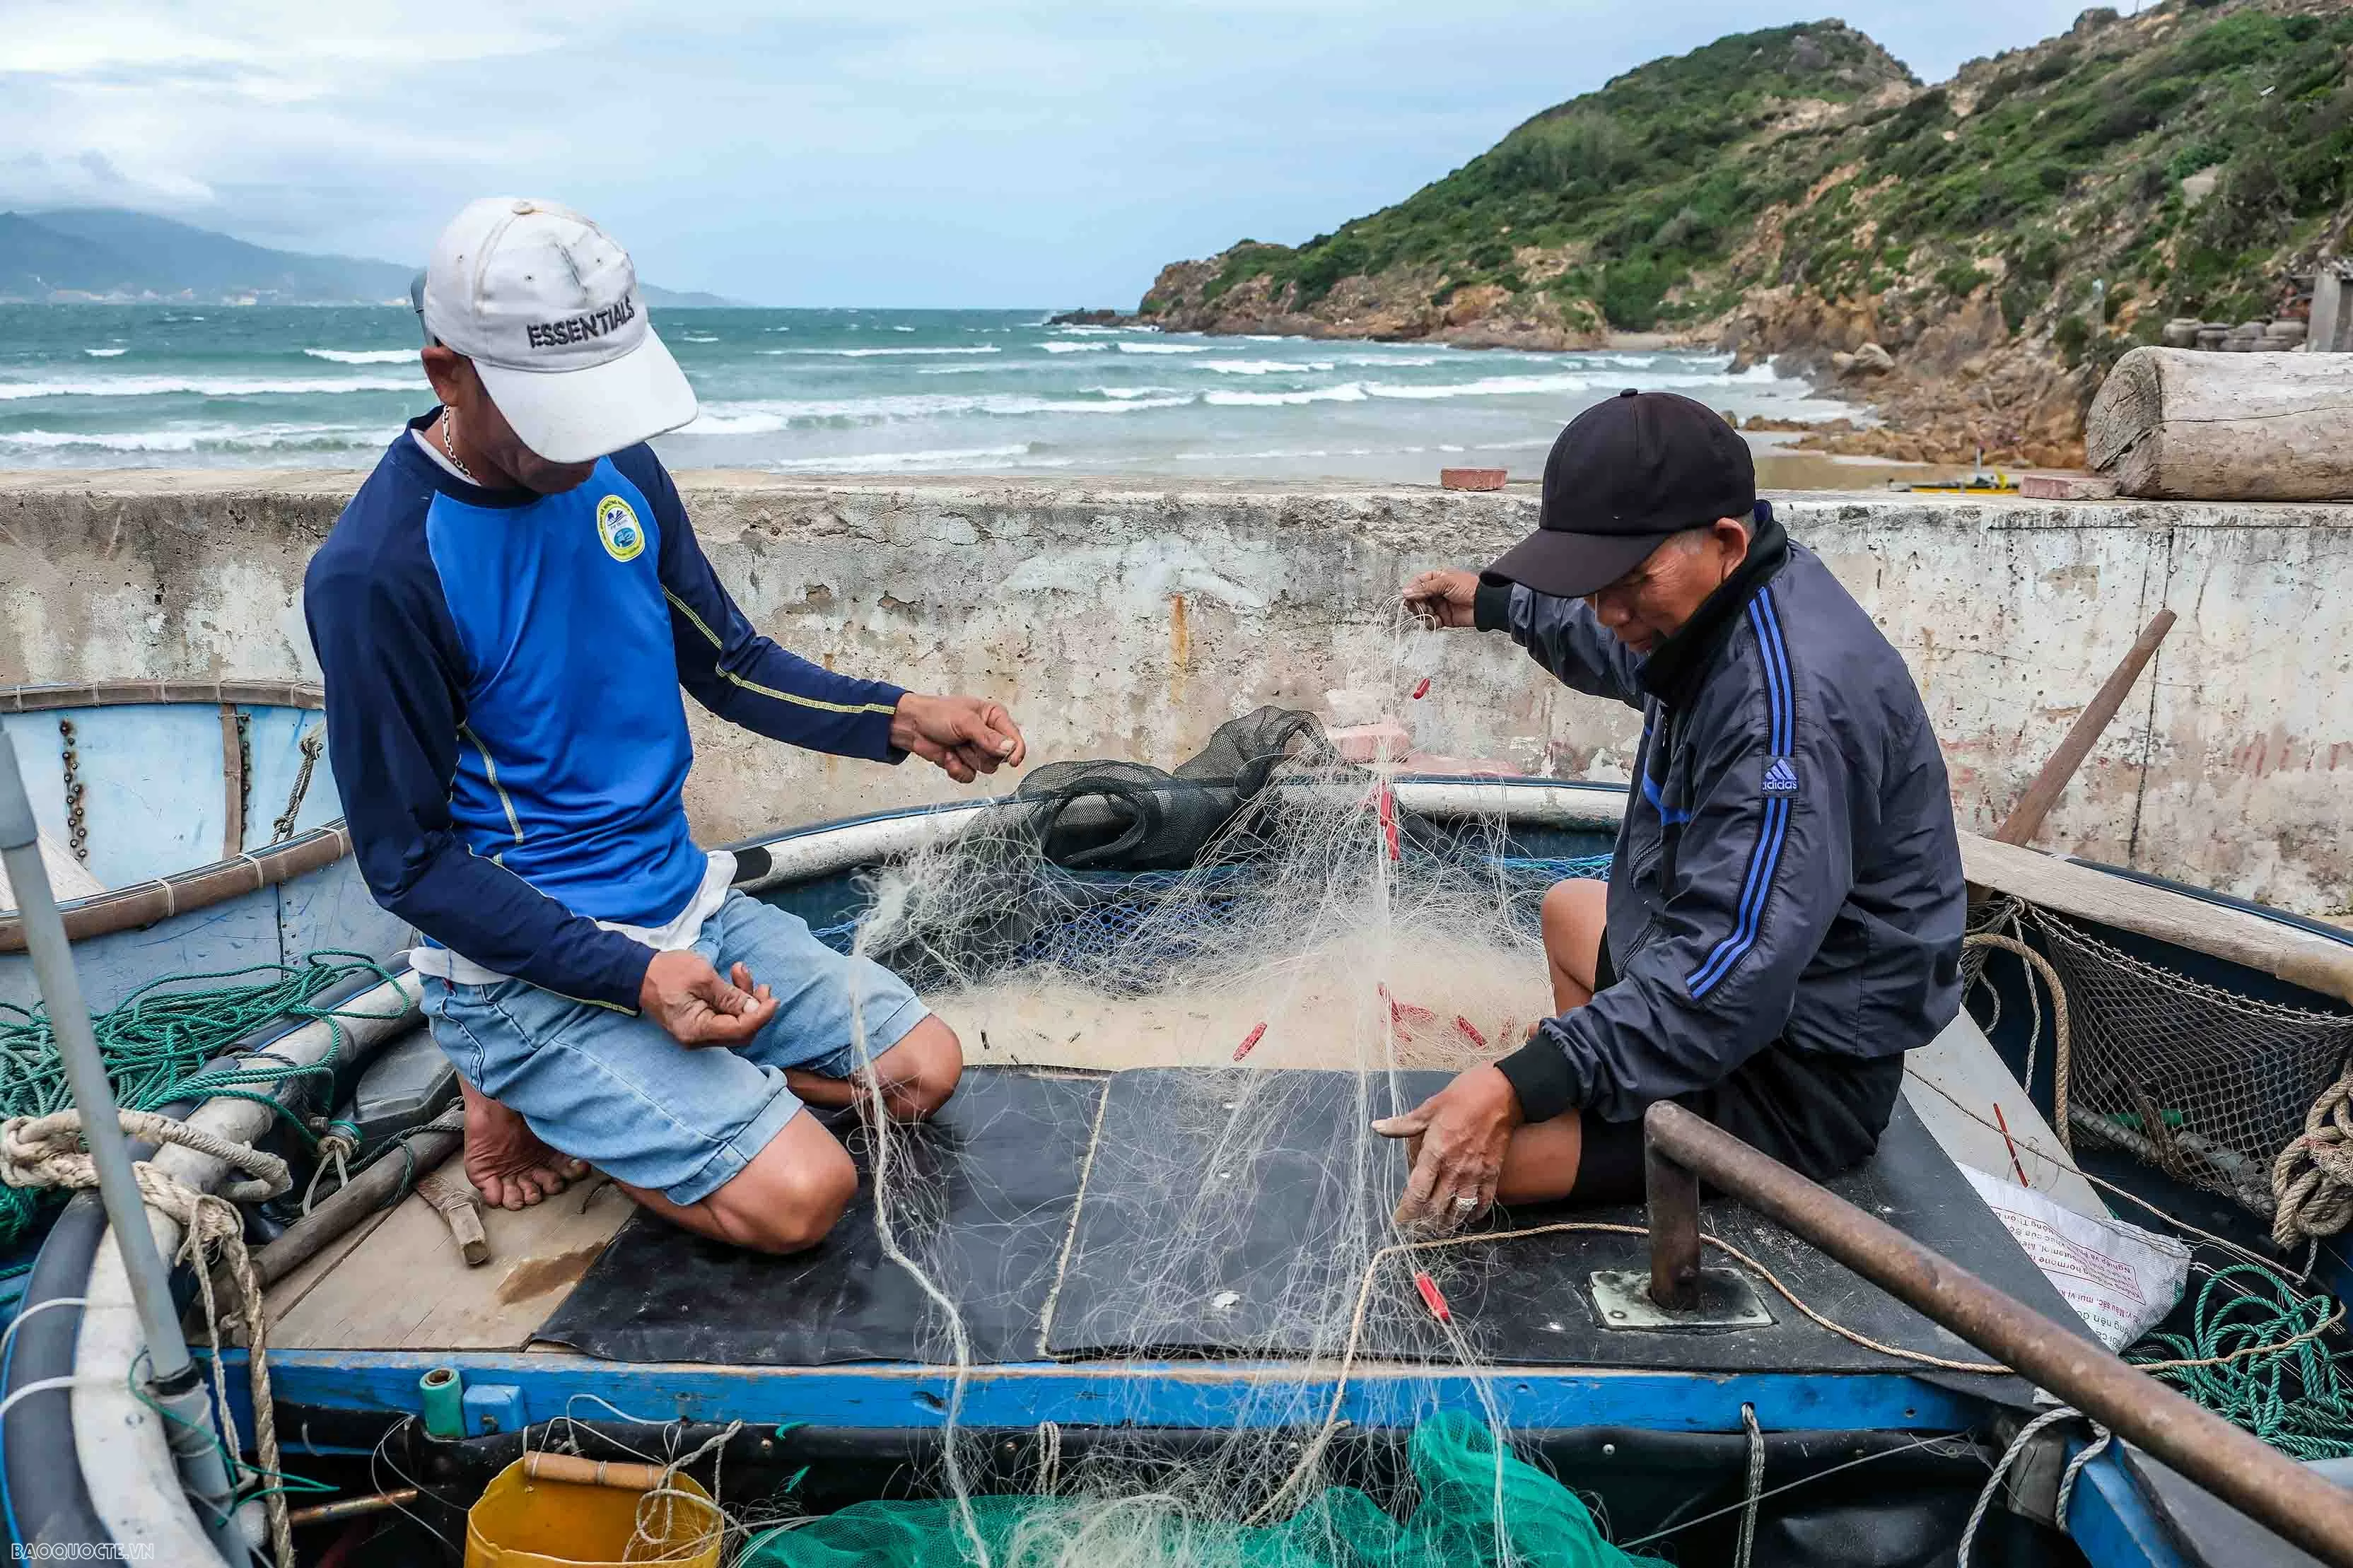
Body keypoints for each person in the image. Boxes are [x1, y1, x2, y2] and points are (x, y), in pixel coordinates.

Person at [305, 197, 1027, 1255]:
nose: (587, 441)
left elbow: (728, 661)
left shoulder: (621, 472)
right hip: (530, 971)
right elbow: (408, 864)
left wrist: (901, 715)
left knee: (923, 1069)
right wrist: (633, 981)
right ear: (446, 373)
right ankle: (517, 1075)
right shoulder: (381, 573)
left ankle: (638, 1102)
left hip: (689, 913)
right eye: (554, 412)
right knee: (805, 1196)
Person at [1382, 389, 1963, 1231]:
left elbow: (1730, 977)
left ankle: (1625, 1143)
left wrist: (1519, 1085)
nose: (1612, 614)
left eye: (1630, 581)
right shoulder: (1728, 602)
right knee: (1567, 910)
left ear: (1722, 542)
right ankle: (1618, 1119)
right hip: (1756, 1001)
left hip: (1795, 1075)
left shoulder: (1786, 720)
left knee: (1443, 1155)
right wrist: (1499, 604)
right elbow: (1620, 650)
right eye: (1593, 586)